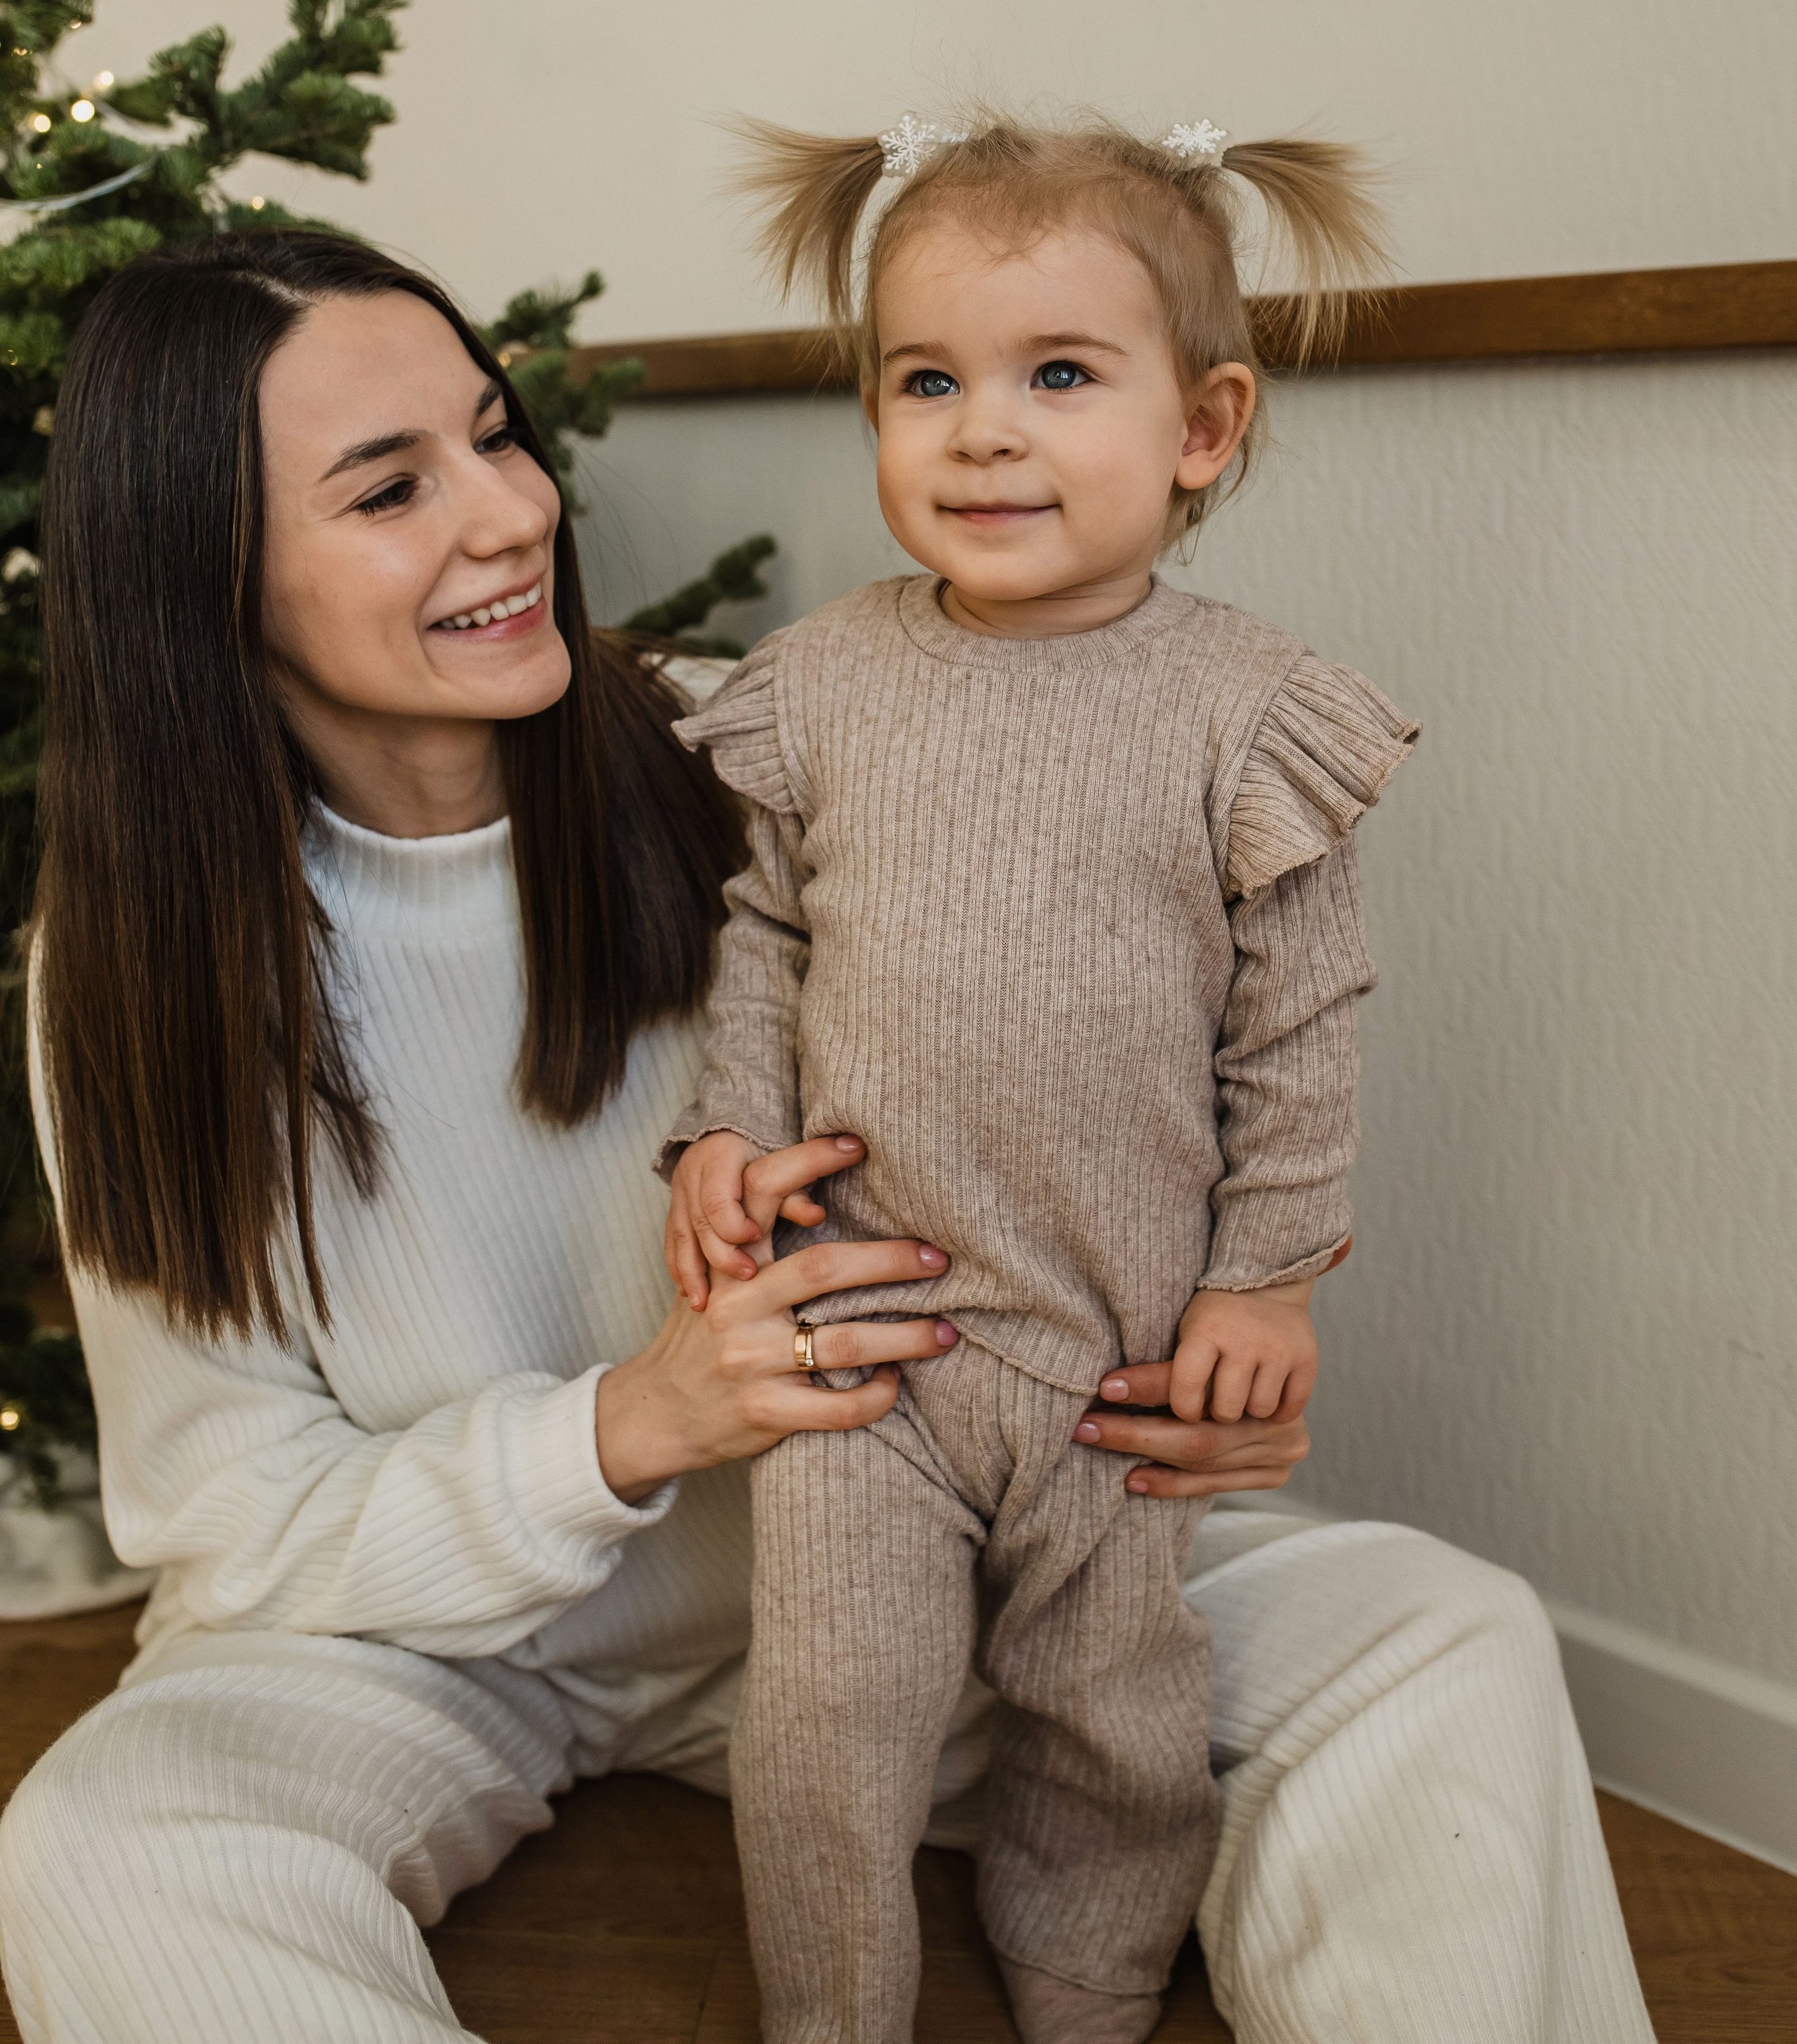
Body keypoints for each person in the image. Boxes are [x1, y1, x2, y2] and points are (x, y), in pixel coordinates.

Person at [0, 230, 1652, 2044]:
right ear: (203, 576)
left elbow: (1140, 1062)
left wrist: (1206, 1328)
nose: (508, 514)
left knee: (1444, 1634)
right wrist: (634, 1425)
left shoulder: (778, 735)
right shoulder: (136, 955)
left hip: (905, 1579)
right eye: (392, 488)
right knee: (98, 1844)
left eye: (496, 434)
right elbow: (229, 1518)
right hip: (439, 1656)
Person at [663, 109, 1419, 2044]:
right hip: (875, 1340)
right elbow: (764, 937)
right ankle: (831, 2006)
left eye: (1057, 376)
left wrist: (1266, 1274)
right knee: (827, 1713)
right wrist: (726, 1138)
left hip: (1121, 1346)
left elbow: (1301, 1026)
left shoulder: (1247, 712)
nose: (983, 430)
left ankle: (1084, 1966)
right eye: (929, 381)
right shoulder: (826, 681)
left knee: (1118, 1709)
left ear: (1201, 428)